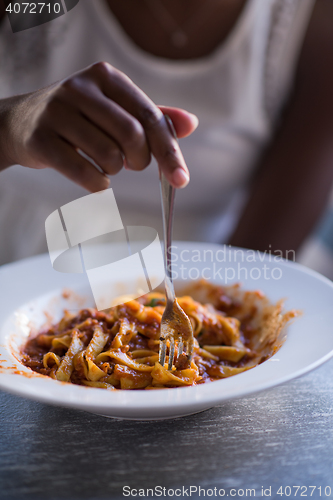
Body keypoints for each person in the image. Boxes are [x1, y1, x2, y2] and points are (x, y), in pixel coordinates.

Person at [0, 0, 333, 273]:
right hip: (18, 249)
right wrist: (8, 130)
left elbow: (259, 265)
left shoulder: (312, 15)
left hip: (217, 265)